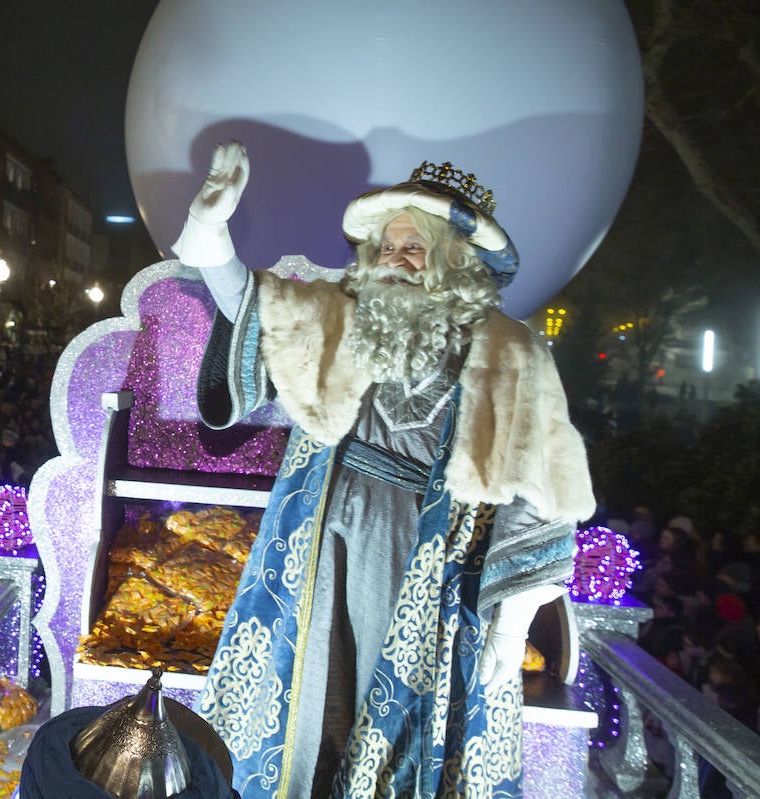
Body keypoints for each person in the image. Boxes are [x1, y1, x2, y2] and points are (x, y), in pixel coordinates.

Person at [174, 144, 595, 798]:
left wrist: (511, 628)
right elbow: (259, 312)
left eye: (414, 247)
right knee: (310, 693)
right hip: (318, 539)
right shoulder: (347, 316)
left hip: (423, 557)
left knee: (394, 713)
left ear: (456, 261)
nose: (394, 260)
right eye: (387, 248)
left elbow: (542, 491)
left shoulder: (511, 352)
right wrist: (211, 235)